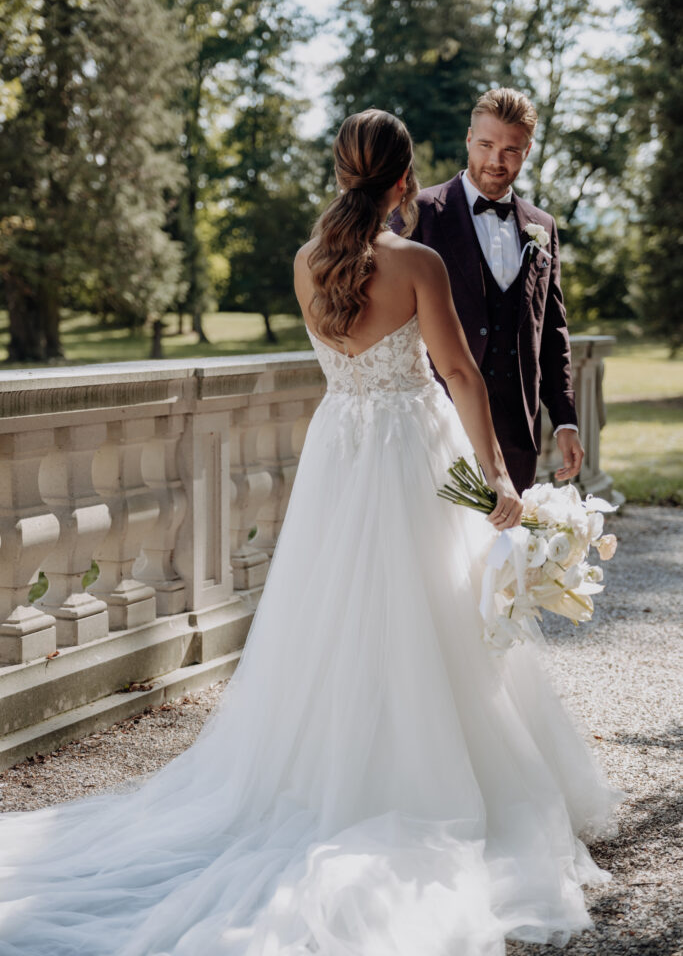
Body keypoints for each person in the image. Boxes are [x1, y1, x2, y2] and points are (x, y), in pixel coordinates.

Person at [0, 109, 619, 956]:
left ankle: (323, 771)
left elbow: (353, 362)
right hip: (414, 451)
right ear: (405, 180)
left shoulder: (307, 263)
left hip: (341, 452)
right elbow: (461, 373)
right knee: (433, 607)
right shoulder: (418, 263)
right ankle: (431, 781)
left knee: (334, 613)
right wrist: (498, 480)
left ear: (341, 174)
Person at [393, 87, 583, 494]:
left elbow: (552, 331)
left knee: (508, 554)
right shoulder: (419, 214)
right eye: (485, 144)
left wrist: (565, 420)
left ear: (527, 151)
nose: (496, 160)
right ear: (468, 139)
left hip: (518, 433)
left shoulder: (543, 226)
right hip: (440, 425)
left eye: (511, 150)